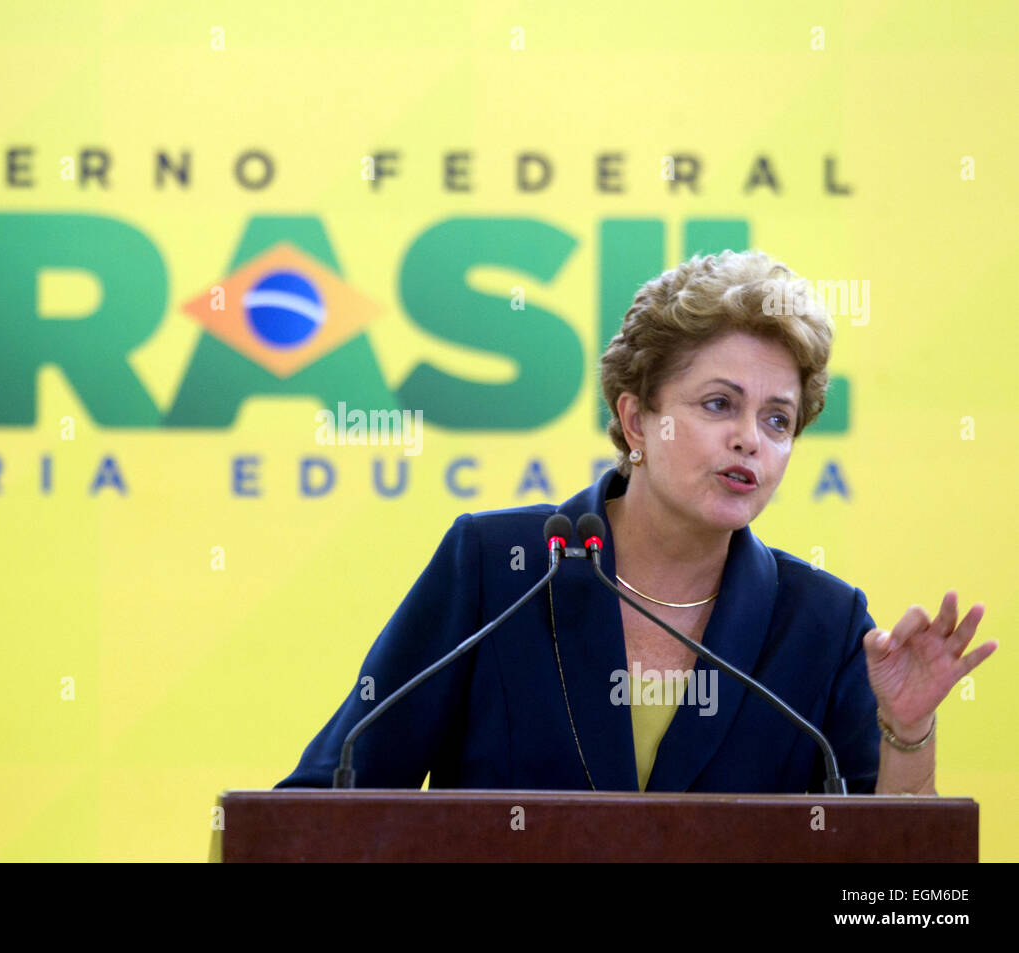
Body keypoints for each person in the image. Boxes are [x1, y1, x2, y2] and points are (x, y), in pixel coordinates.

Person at [275, 250, 995, 794]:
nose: (750, 437)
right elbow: (331, 796)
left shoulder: (825, 625)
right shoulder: (501, 568)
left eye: (777, 420)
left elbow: (898, 890)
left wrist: (906, 730)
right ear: (636, 419)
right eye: (719, 404)